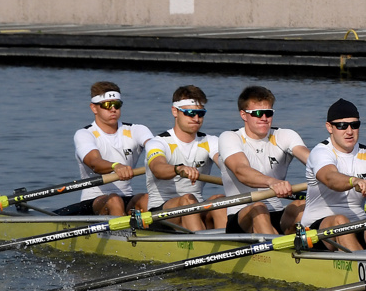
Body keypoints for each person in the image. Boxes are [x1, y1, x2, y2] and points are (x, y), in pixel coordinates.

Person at [301, 99, 366, 251]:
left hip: (357, 225)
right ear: (329, 127)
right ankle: (363, 268)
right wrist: (354, 181)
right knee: (340, 220)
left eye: (355, 125)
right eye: (342, 126)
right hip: (316, 231)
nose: (349, 131)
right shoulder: (320, 152)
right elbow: (330, 178)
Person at [218, 86, 310, 235]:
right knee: (259, 208)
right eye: (258, 113)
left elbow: (311, 160)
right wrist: (271, 182)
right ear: (243, 115)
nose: (264, 118)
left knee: (302, 205)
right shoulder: (230, 137)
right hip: (242, 216)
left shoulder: (285, 135)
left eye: (268, 113)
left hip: (276, 212)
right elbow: (241, 170)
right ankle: (280, 253)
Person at [143, 85, 222, 230]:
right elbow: (158, 168)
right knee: (187, 199)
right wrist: (178, 169)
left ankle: (230, 246)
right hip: (161, 213)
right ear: (175, 111)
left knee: (221, 200)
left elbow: (226, 164)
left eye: (201, 113)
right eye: (190, 113)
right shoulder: (158, 142)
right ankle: (203, 245)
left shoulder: (211, 141)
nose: (196, 118)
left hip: (195, 208)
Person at [70, 81, 154, 215]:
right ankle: (123, 235)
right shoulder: (84, 134)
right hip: (94, 200)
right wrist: (116, 166)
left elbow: (155, 148)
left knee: (147, 199)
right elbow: (94, 163)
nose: (113, 109)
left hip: (126, 196)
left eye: (117, 104)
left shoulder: (137, 130)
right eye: (107, 105)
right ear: (94, 108)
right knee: (114, 200)